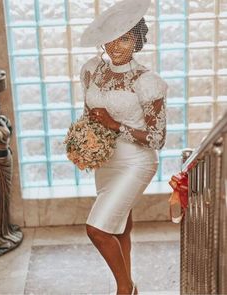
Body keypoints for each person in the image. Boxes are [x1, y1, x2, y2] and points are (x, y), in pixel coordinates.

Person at [80, 0, 168, 294]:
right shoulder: (92, 71)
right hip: (107, 161)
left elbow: (158, 138)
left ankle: (124, 287)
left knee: (98, 229)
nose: (117, 46)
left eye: (126, 38)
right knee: (120, 225)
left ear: (138, 41)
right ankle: (129, 285)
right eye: (112, 37)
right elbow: (89, 114)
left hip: (136, 161)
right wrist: (83, 142)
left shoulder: (147, 81)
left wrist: (114, 125)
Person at [0, 70, 23, 258]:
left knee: (4, 199)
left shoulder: (2, 120)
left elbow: (8, 134)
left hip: (5, 162)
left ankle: (3, 230)